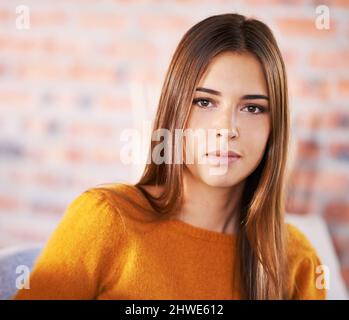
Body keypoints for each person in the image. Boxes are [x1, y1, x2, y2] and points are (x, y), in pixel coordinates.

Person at [12, 13, 327, 300]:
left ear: (275, 128)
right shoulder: (106, 219)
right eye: (204, 102)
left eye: (253, 108)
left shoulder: (297, 259)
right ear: (175, 110)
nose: (227, 129)